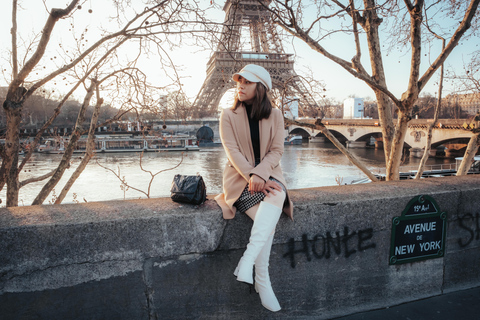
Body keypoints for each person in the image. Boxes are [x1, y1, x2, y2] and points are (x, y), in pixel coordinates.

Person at [214, 64, 293, 312]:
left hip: (270, 174)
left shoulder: (276, 115)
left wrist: (261, 173)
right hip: (239, 178)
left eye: (247, 82)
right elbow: (232, 152)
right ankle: (263, 279)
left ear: (261, 87)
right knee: (266, 222)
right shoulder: (228, 115)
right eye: (239, 81)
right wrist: (252, 174)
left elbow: (277, 151)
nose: (240, 85)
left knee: (276, 195)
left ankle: (247, 261)